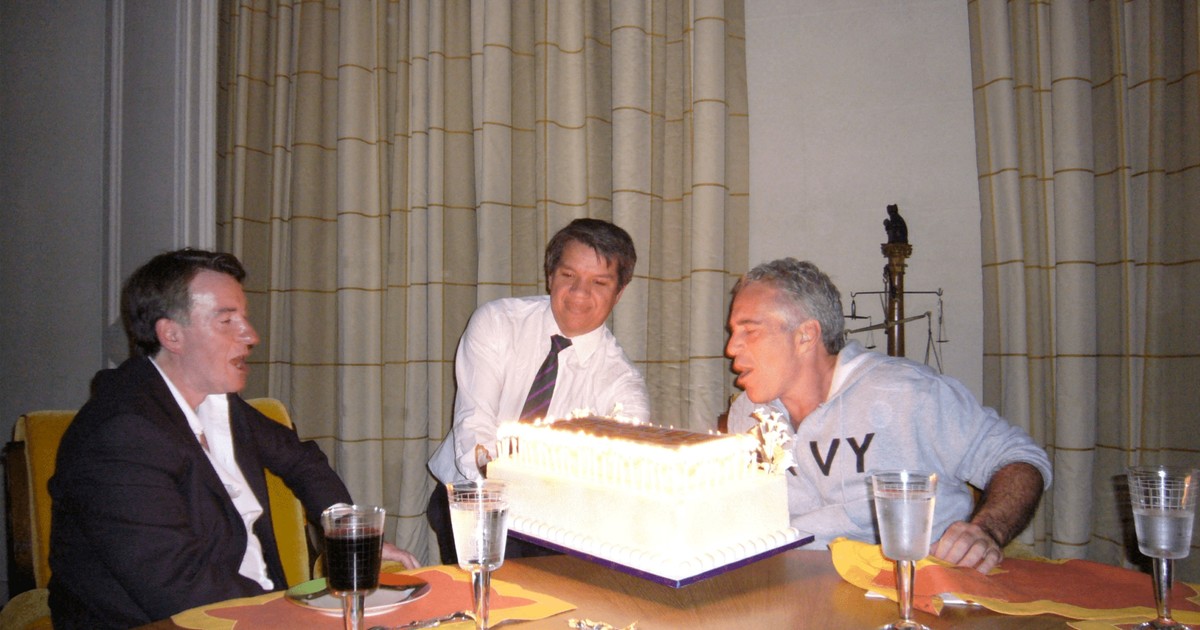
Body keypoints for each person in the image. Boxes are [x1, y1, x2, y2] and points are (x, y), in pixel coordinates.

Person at [48, 248, 418, 629]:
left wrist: (350, 537)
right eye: (227, 321)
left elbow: (302, 461)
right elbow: (180, 587)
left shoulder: (217, 403)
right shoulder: (121, 435)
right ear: (171, 334)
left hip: (252, 610)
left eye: (245, 318)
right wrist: (295, 615)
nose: (251, 336)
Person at [724, 258, 1051, 574]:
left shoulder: (908, 394)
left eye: (749, 331)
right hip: (793, 583)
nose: (731, 348)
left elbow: (1020, 459)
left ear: (806, 336)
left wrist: (987, 530)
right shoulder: (748, 415)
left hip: (912, 584)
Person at [426, 218, 651, 563]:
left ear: (619, 293)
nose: (579, 293)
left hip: (558, 524)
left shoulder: (622, 387)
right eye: (568, 275)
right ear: (550, 276)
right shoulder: (497, 322)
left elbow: (614, 480)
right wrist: (499, 500)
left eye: (599, 282)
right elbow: (475, 427)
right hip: (471, 497)